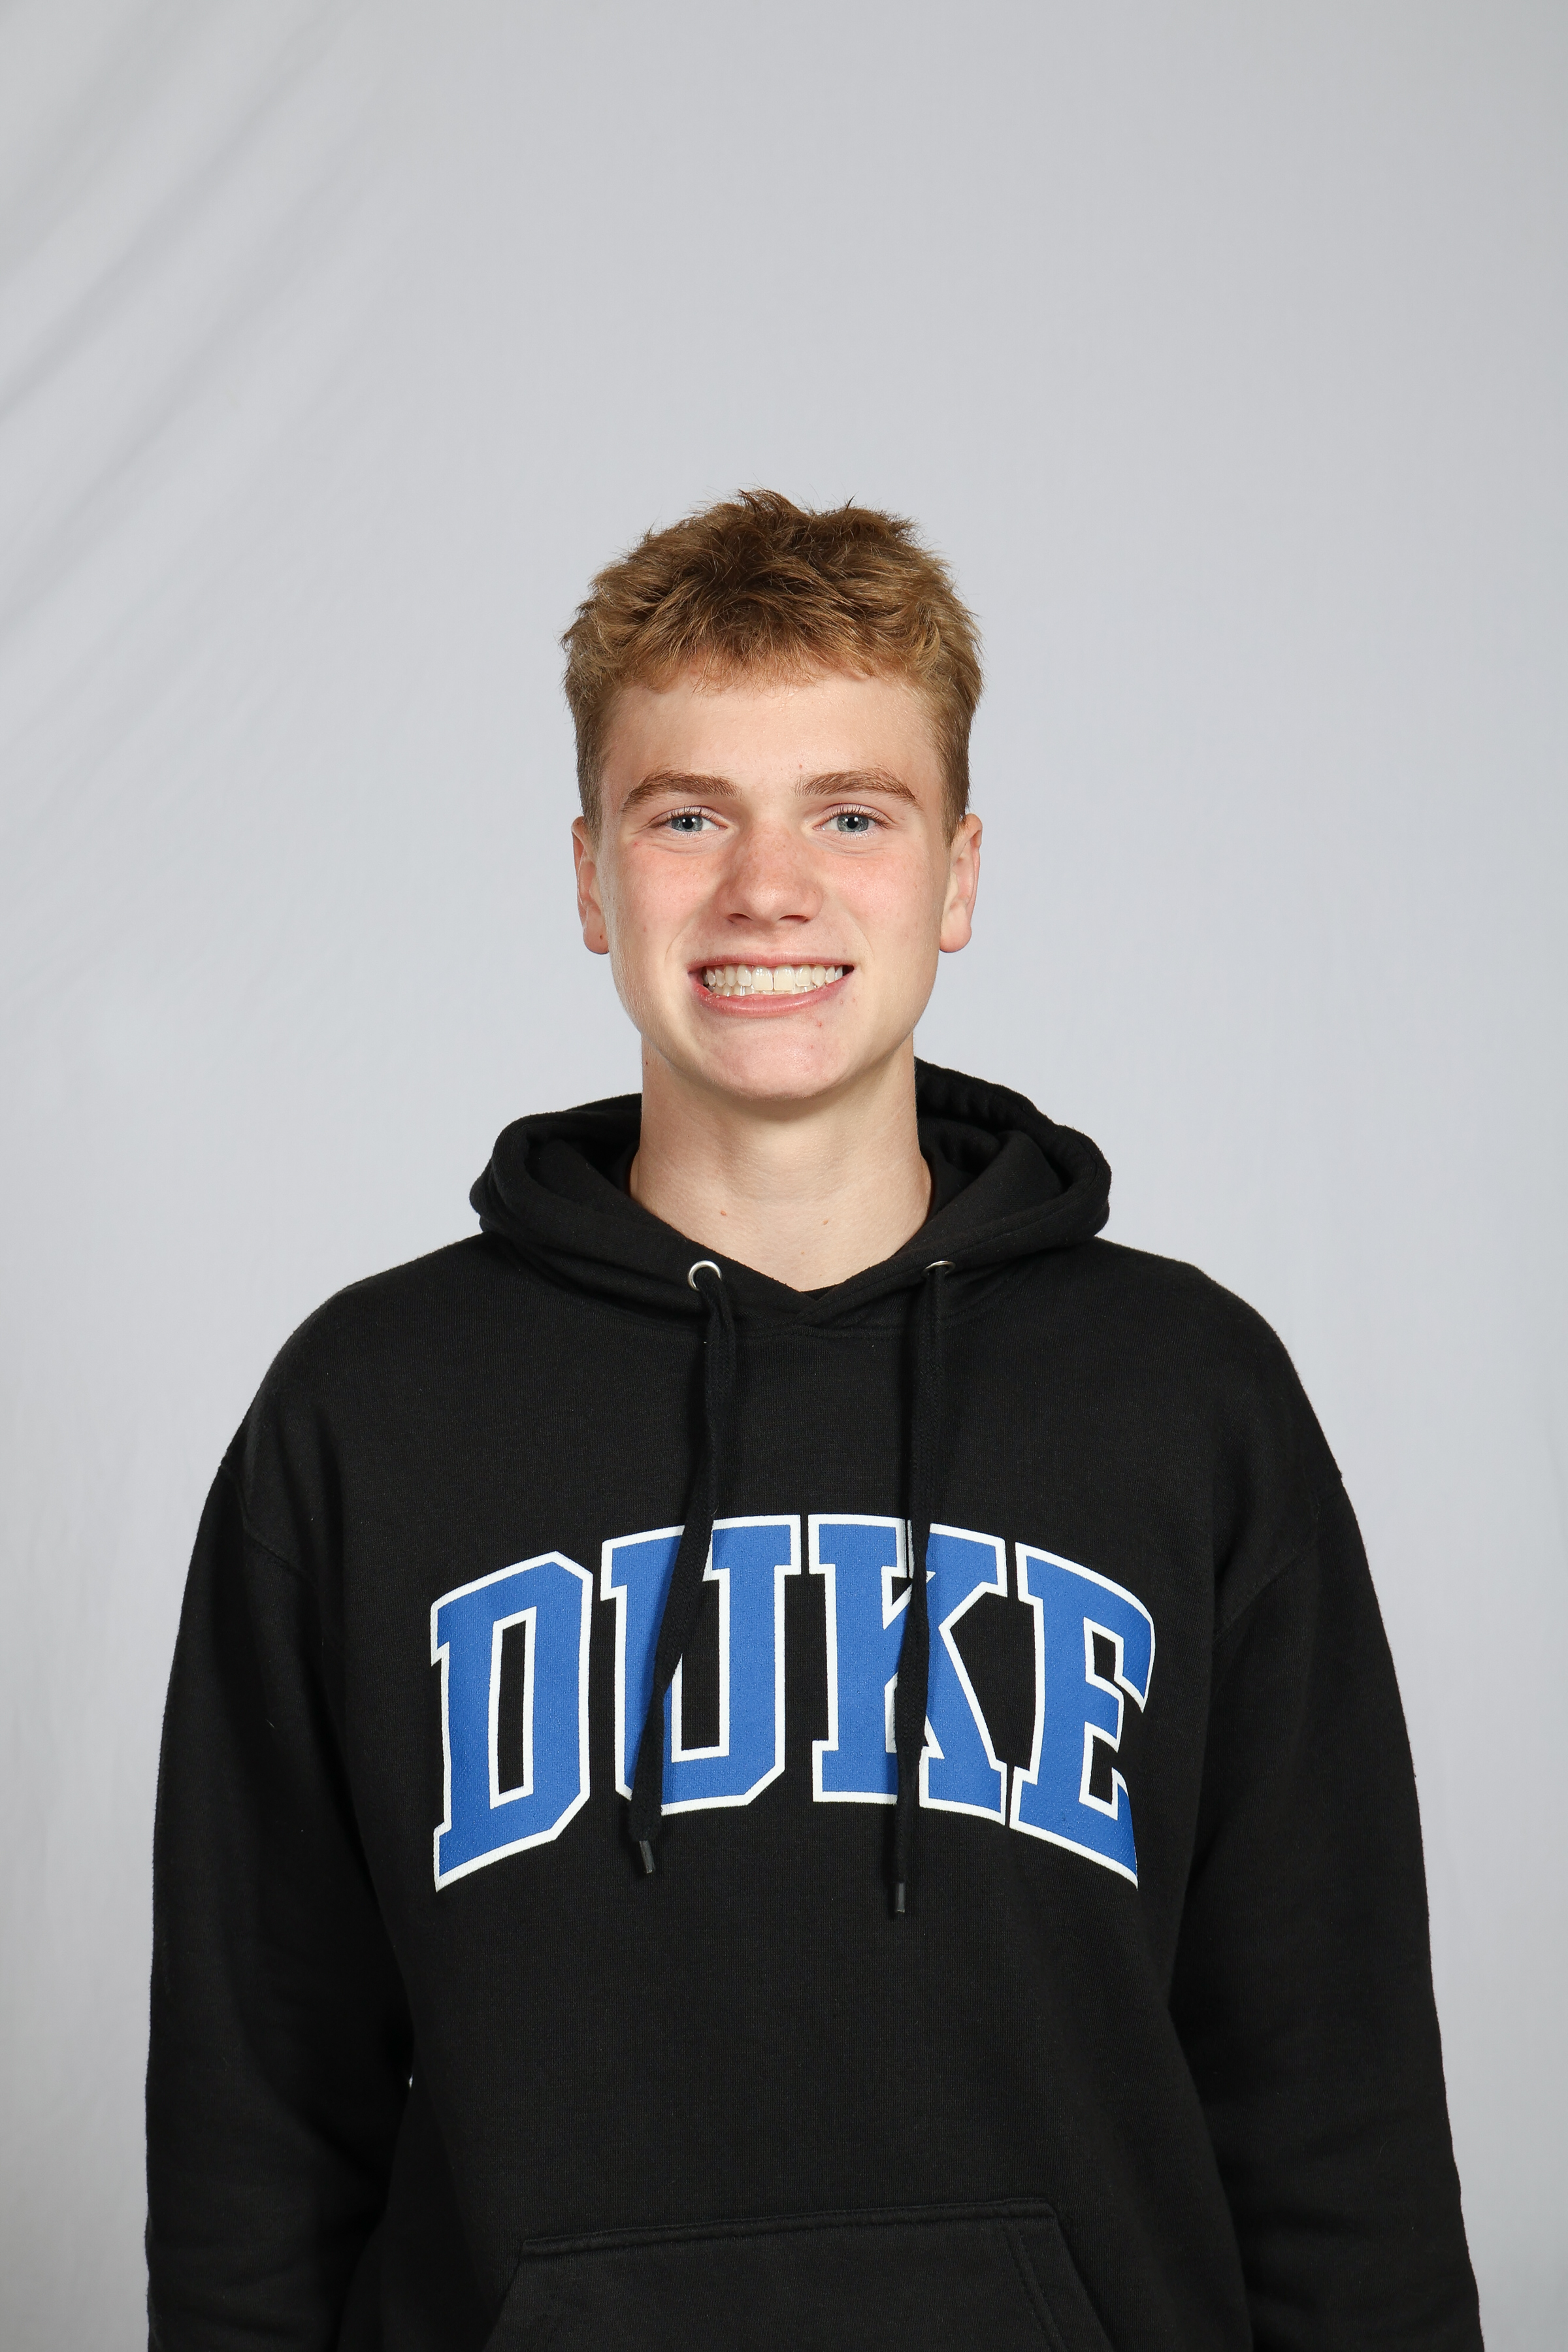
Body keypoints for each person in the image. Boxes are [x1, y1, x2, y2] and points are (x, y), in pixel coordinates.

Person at [146, 491, 1482, 2351]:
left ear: (958, 874)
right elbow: (256, 2126)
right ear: (592, 878)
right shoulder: (365, 1415)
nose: (766, 890)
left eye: (852, 815)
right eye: (687, 816)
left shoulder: (1187, 1399)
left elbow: (1335, 2101)